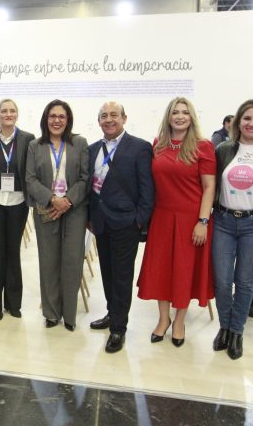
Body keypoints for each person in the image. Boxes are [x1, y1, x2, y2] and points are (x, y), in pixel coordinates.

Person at [137, 97, 216, 347]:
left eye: (185, 112)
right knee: (161, 270)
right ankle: (163, 319)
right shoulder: (158, 145)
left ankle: (179, 321)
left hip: (191, 218)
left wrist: (203, 220)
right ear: (168, 117)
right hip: (161, 217)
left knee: (183, 271)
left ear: (192, 117)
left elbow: (209, 186)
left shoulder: (203, 147)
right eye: (175, 112)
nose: (180, 116)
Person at [211, 99, 253, 359]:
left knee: (245, 281)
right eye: (247, 118)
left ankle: (237, 331)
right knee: (223, 281)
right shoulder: (224, 150)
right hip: (224, 221)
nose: (251, 123)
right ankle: (224, 326)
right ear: (237, 121)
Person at [87, 101, 154, 353]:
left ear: (124, 118)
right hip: (100, 222)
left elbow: (147, 190)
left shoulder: (139, 147)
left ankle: (118, 329)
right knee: (107, 272)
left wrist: (139, 220)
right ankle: (111, 313)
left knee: (122, 277)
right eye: (104, 116)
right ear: (99, 121)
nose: (109, 119)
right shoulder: (93, 149)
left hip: (126, 223)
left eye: (114, 115)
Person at [26, 99, 89, 331]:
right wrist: (53, 199)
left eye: (61, 116)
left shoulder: (79, 143)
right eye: (52, 116)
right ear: (46, 119)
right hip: (47, 208)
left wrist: (68, 201)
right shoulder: (35, 146)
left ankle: (70, 316)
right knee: (49, 262)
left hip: (74, 210)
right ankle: (51, 313)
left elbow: (85, 178)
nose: (56, 120)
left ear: (68, 120)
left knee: (72, 262)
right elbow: (30, 179)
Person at [0, 99, 35, 320]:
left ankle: (13, 304)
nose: (8, 114)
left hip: (18, 201)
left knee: (12, 252)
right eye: (4, 111)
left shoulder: (27, 139)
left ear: (17, 114)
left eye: (12, 110)